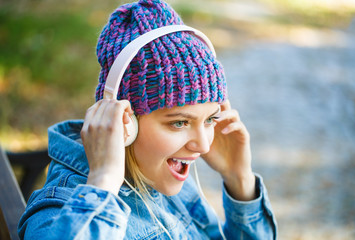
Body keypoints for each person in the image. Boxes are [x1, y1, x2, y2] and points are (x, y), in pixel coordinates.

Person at [18, 0, 277, 239]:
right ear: (125, 123)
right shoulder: (57, 209)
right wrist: (104, 182)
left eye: (210, 119)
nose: (203, 146)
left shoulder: (163, 178)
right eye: (180, 123)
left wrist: (239, 179)